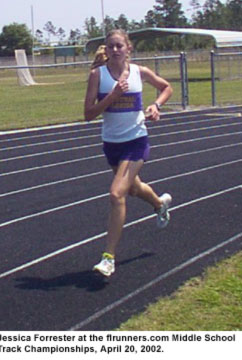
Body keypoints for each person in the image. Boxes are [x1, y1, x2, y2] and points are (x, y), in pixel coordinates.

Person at [84, 29, 173, 277]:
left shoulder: (139, 73)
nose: (114, 50)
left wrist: (156, 105)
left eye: (119, 46)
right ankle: (159, 203)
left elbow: (166, 87)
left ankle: (108, 258)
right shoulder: (97, 76)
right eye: (110, 46)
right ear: (106, 49)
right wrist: (112, 96)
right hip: (112, 143)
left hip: (136, 140)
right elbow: (89, 114)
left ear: (128, 49)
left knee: (116, 193)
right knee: (133, 188)